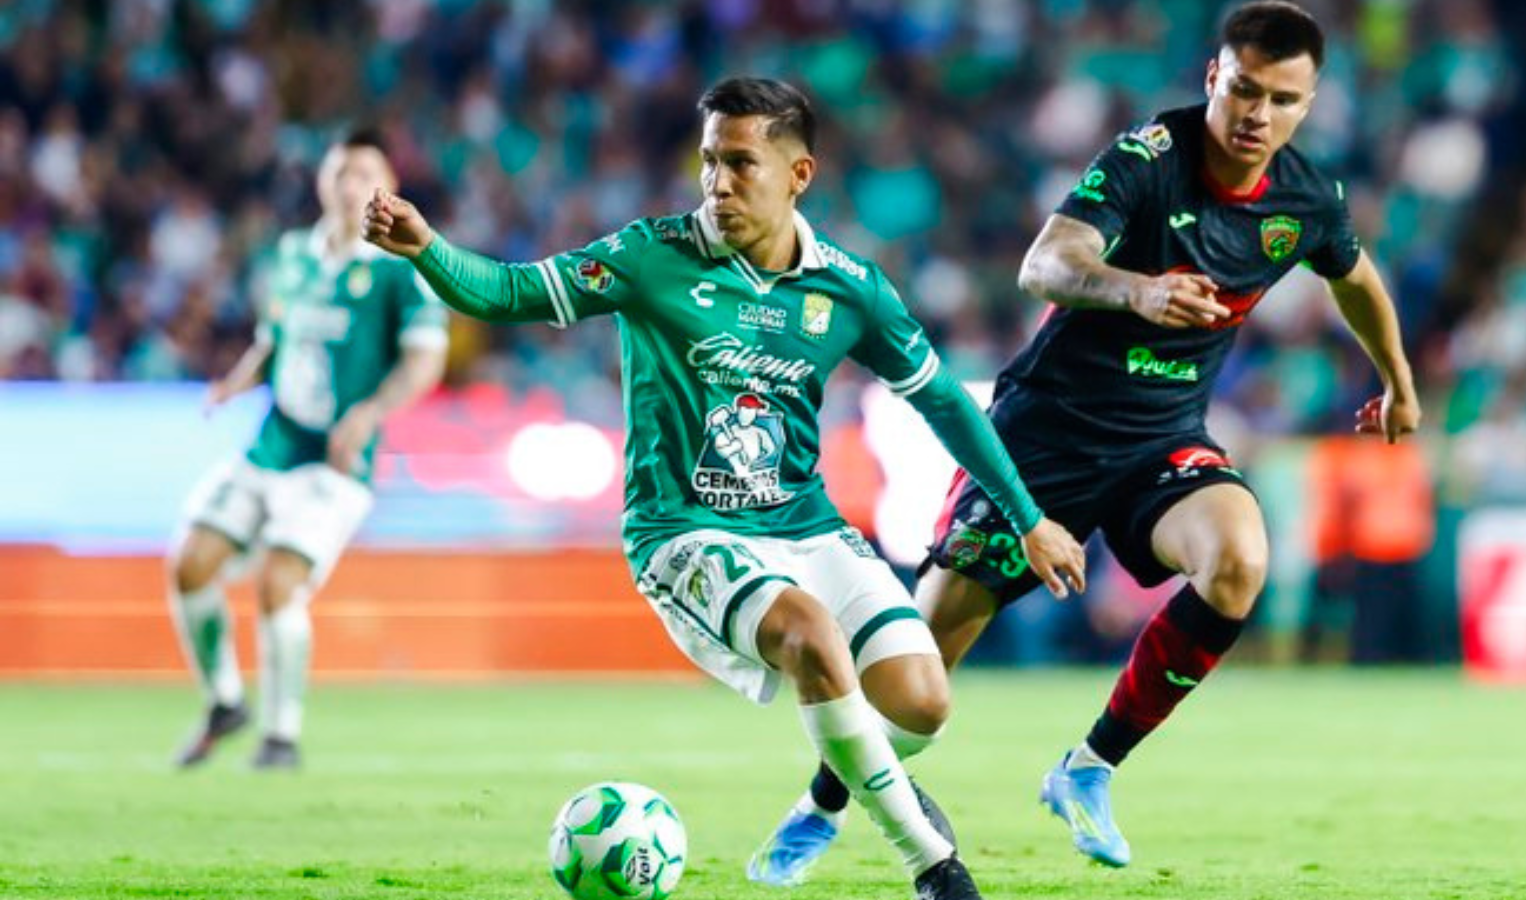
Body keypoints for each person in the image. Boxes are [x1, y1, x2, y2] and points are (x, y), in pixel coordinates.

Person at [361, 77, 1086, 900]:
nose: (718, 184)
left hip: (805, 526)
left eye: (741, 163)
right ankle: (933, 865)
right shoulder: (652, 255)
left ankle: (832, 796)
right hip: (685, 531)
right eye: (708, 162)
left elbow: (944, 401)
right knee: (811, 637)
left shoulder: (848, 287)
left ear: (798, 175)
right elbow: (507, 291)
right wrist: (426, 246)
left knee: (921, 702)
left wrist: (1028, 518)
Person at [760, 0, 1421, 874]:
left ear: (1309, 102)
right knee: (917, 685)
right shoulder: (1149, 159)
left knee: (1239, 560)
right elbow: (1046, 264)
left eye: (1285, 100)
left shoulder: (1305, 196)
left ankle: (1089, 768)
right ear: (1213, 78)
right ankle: (824, 803)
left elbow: (1355, 276)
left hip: (1161, 440)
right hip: (1045, 437)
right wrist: (1136, 291)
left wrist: (1399, 383)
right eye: (1247, 91)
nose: (1259, 116)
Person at [168, 130, 449, 770]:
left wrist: (369, 413)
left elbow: (423, 361)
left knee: (278, 582)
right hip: (272, 442)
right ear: (323, 181)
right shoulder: (293, 254)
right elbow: (274, 340)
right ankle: (223, 701)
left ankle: (281, 736)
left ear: (387, 190)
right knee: (190, 563)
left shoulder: (400, 270)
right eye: (340, 172)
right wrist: (236, 381)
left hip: (336, 461)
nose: (350, 185)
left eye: (364, 175)